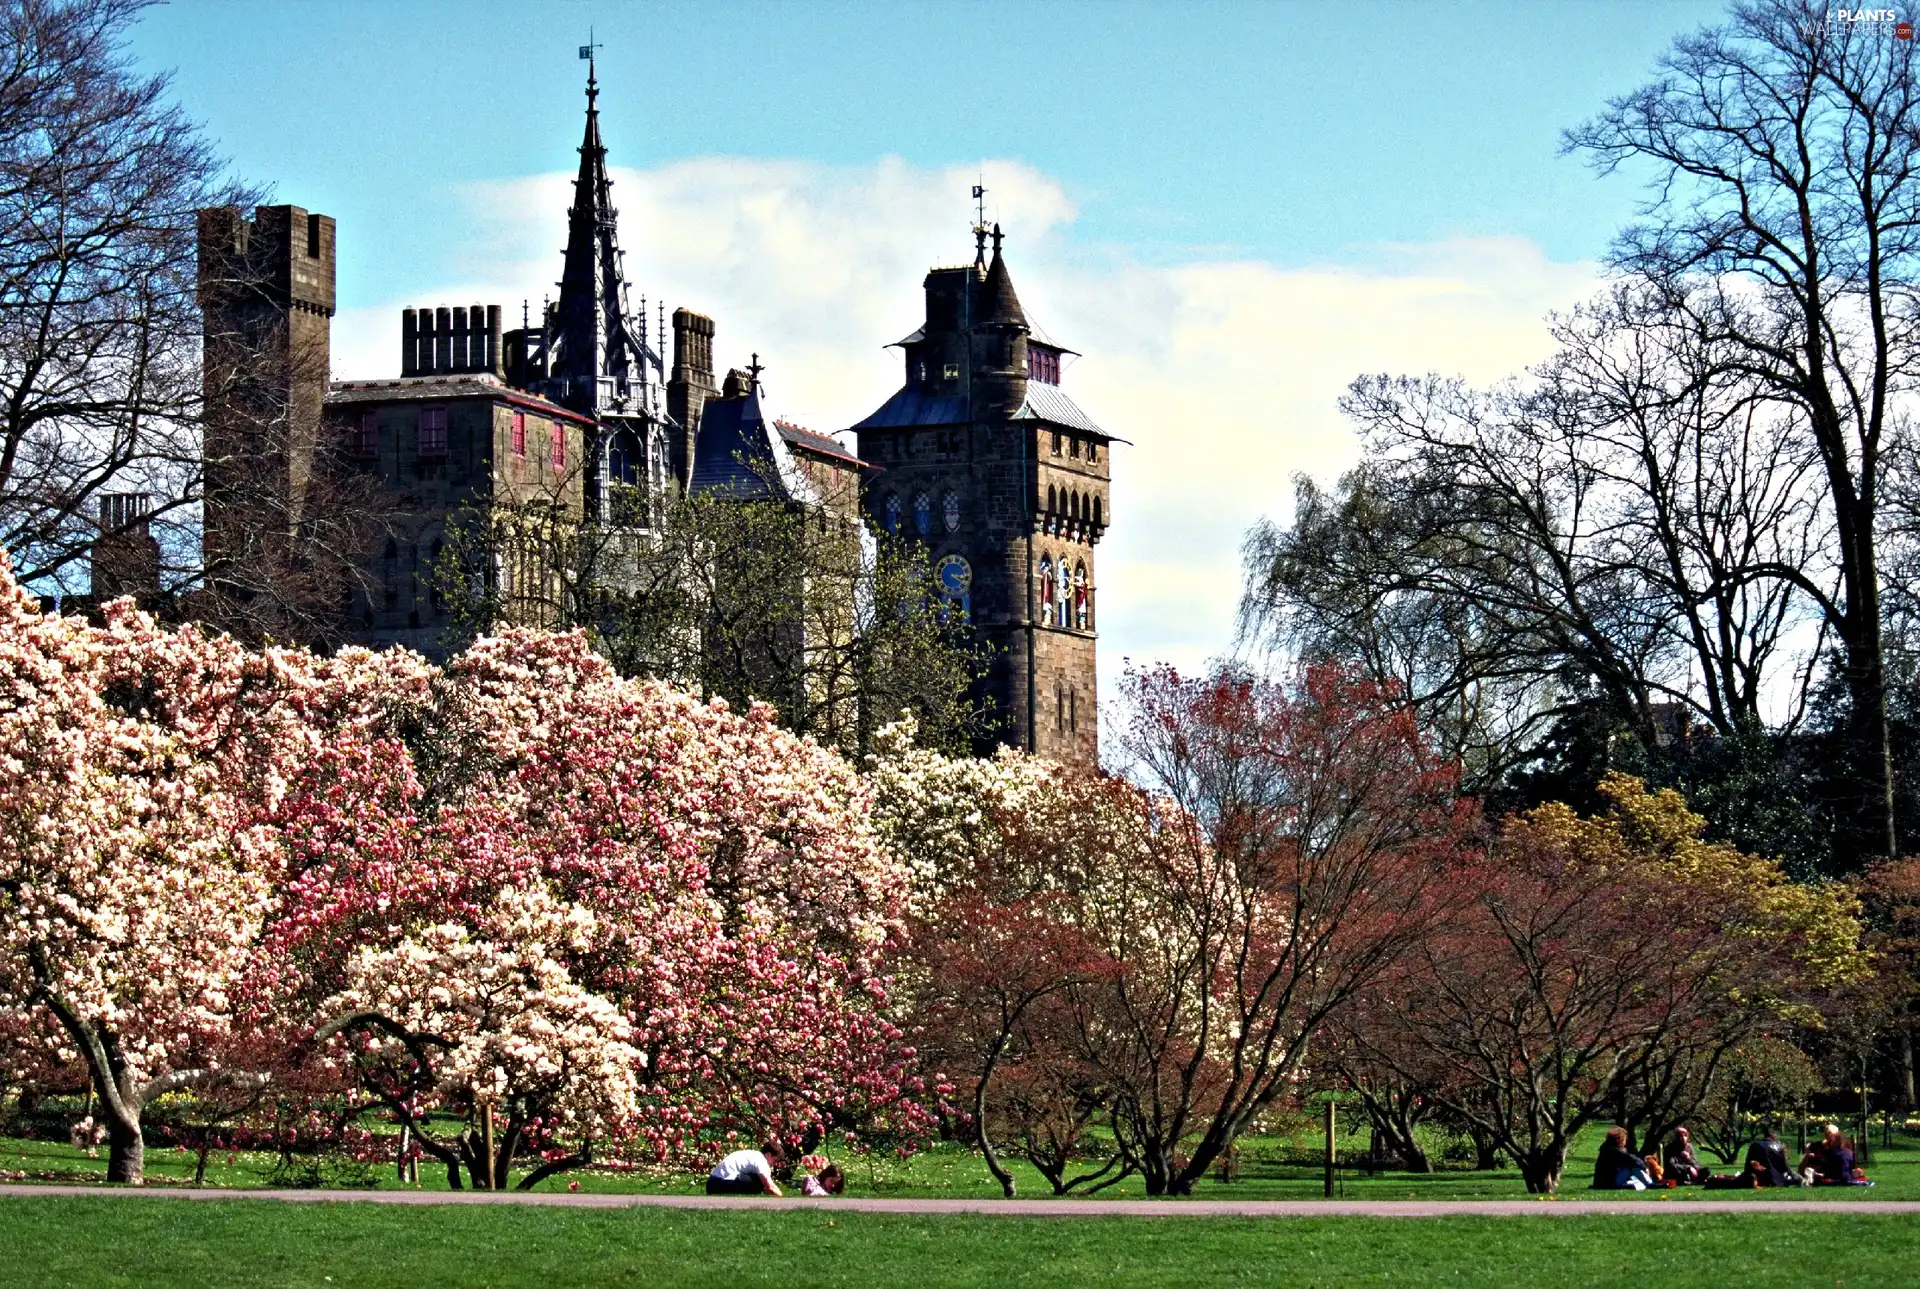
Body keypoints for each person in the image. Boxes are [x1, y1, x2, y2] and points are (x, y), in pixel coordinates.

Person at [1804, 1123, 1871, 1187]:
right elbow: (1808, 1145)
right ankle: (1818, 1174)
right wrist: (1809, 1153)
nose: (1828, 1136)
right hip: (1837, 1166)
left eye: (1829, 1134)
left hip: (1835, 1167)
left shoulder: (1834, 1144)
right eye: (1827, 1134)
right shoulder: (1827, 1143)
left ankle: (1817, 1174)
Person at [706, 1143, 785, 1196]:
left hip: (711, 1184)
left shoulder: (751, 1154)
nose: (775, 1164)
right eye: (775, 1160)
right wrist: (782, 1198)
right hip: (723, 1184)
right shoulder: (761, 1160)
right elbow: (770, 1187)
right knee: (759, 1182)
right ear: (768, 1154)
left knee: (758, 1179)